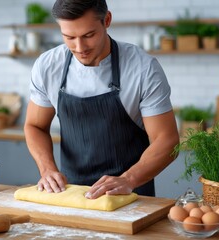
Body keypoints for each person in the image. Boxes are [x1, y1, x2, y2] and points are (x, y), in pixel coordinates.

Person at [24, 0, 179, 199]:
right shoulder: (48, 66)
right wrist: (47, 170)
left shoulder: (143, 68)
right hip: (72, 195)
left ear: (107, 20)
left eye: (89, 35)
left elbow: (167, 140)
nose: (80, 47)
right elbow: (35, 126)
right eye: (69, 37)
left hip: (130, 195)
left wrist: (128, 179)